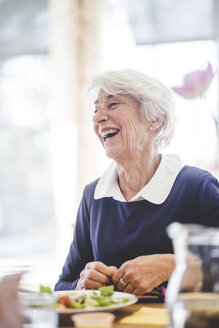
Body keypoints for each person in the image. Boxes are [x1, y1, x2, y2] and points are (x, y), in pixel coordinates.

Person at [54, 69, 219, 296]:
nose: (97, 117)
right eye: (95, 109)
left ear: (155, 120)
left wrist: (173, 265)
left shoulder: (198, 187)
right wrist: (82, 286)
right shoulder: (93, 195)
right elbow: (62, 286)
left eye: (112, 105)